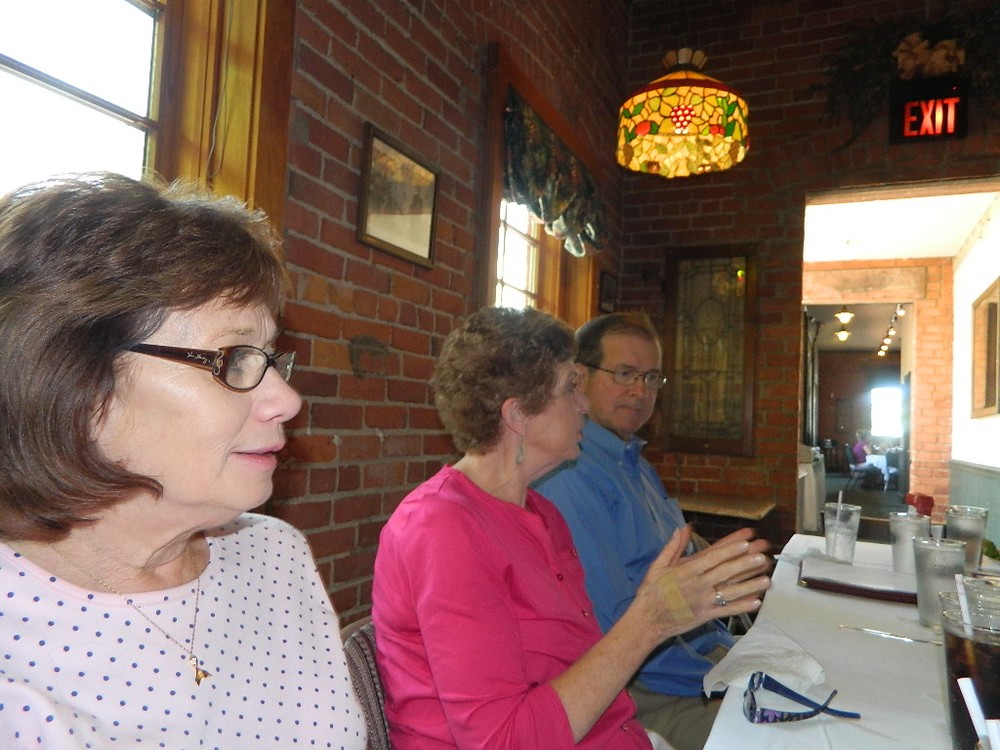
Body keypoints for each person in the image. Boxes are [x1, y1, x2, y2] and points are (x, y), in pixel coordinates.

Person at [0, 173, 367, 748]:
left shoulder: (274, 556)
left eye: (270, 358)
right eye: (233, 359)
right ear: (73, 383)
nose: (288, 400)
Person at [372, 306, 770, 750]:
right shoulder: (441, 530)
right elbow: (503, 741)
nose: (583, 403)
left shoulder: (541, 513)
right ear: (517, 415)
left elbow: (579, 670)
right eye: (570, 387)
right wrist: (650, 619)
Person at [534, 312, 769, 750]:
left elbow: (678, 561)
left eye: (651, 378)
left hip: (695, 655)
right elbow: (615, 627)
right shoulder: (569, 473)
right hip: (644, 689)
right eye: (625, 374)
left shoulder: (636, 464)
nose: (640, 391)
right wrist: (720, 674)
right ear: (580, 377)